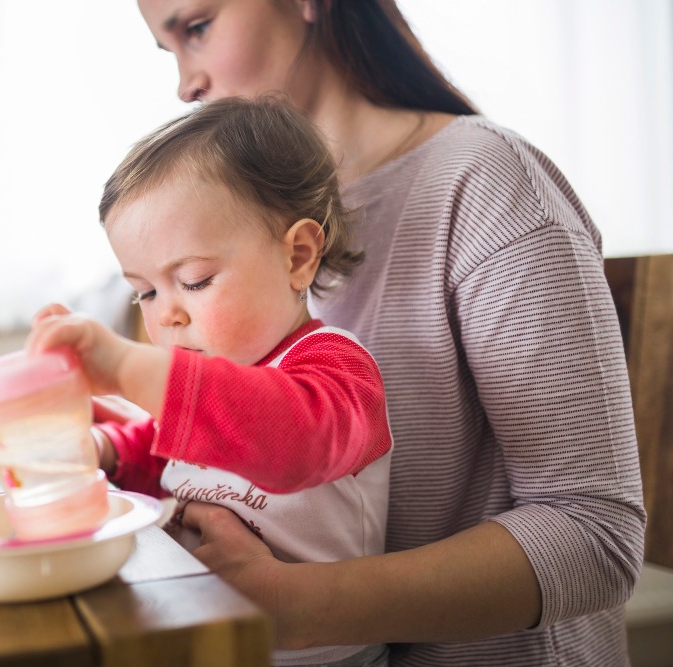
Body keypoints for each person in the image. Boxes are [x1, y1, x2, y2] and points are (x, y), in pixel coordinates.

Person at [129, 1, 647, 666]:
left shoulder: (488, 183)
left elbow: (593, 537)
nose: (184, 84)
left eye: (196, 29)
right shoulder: (243, 231)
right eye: (167, 49)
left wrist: (292, 603)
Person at [27, 96, 393, 667]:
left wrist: (127, 368)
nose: (165, 315)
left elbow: (291, 443)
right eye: (146, 292)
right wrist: (101, 450)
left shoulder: (334, 368)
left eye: (194, 281)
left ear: (297, 256)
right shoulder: (205, 391)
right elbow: (169, 449)